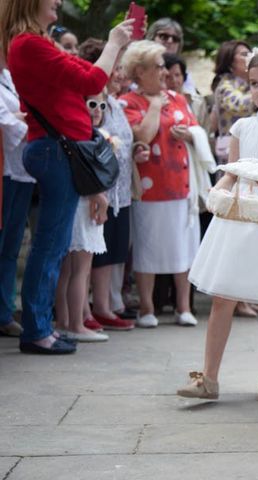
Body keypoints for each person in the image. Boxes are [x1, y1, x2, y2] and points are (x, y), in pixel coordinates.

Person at [1, 0, 132, 354]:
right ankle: (37, 331)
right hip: (55, 152)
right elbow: (92, 80)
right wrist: (115, 42)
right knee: (50, 245)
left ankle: (41, 326)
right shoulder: (29, 44)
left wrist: (116, 45)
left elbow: (90, 75)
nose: (58, 1)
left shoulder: (33, 43)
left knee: (52, 244)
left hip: (55, 151)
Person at [177, 46, 258, 402]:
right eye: (254, 83)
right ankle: (209, 377)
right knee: (222, 298)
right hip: (237, 217)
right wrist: (217, 191)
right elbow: (232, 172)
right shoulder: (243, 127)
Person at [119, 40, 200, 328]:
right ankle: (147, 308)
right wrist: (154, 106)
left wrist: (189, 135)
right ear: (139, 71)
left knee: (183, 247)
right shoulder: (128, 102)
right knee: (148, 248)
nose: (165, 72)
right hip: (150, 189)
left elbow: (196, 131)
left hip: (180, 184)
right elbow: (142, 135)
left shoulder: (177, 98)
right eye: (158, 67)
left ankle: (183, 306)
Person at [78, 38, 144, 331]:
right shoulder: (91, 98)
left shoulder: (114, 102)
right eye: (115, 67)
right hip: (100, 187)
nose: (120, 74)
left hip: (120, 190)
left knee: (114, 250)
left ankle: (105, 305)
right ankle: (93, 308)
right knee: (94, 253)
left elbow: (122, 140)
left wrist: (135, 149)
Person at [54, 93, 110, 342]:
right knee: (80, 269)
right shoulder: (85, 137)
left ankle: (65, 322)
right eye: (92, 104)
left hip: (74, 202)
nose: (97, 110)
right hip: (86, 203)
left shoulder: (71, 135)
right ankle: (76, 324)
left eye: (102, 105)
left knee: (67, 268)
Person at [209, 40, 257, 318]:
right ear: (230, 60)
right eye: (243, 53)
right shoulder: (225, 84)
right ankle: (236, 298)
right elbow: (238, 105)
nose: (248, 56)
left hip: (251, 158)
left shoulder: (248, 82)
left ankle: (246, 295)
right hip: (231, 161)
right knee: (236, 230)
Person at [0, 53, 34, 338]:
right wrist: (21, 119)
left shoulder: (10, 77)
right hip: (5, 171)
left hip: (22, 170)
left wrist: (20, 118)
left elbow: (26, 115)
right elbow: (11, 125)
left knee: (11, 247)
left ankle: (4, 312)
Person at [146, 18, 196, 97]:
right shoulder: (141, 66)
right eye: (164, 36)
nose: (170, 41)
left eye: (175, 39)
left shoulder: (183, 73)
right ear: (152, 38)